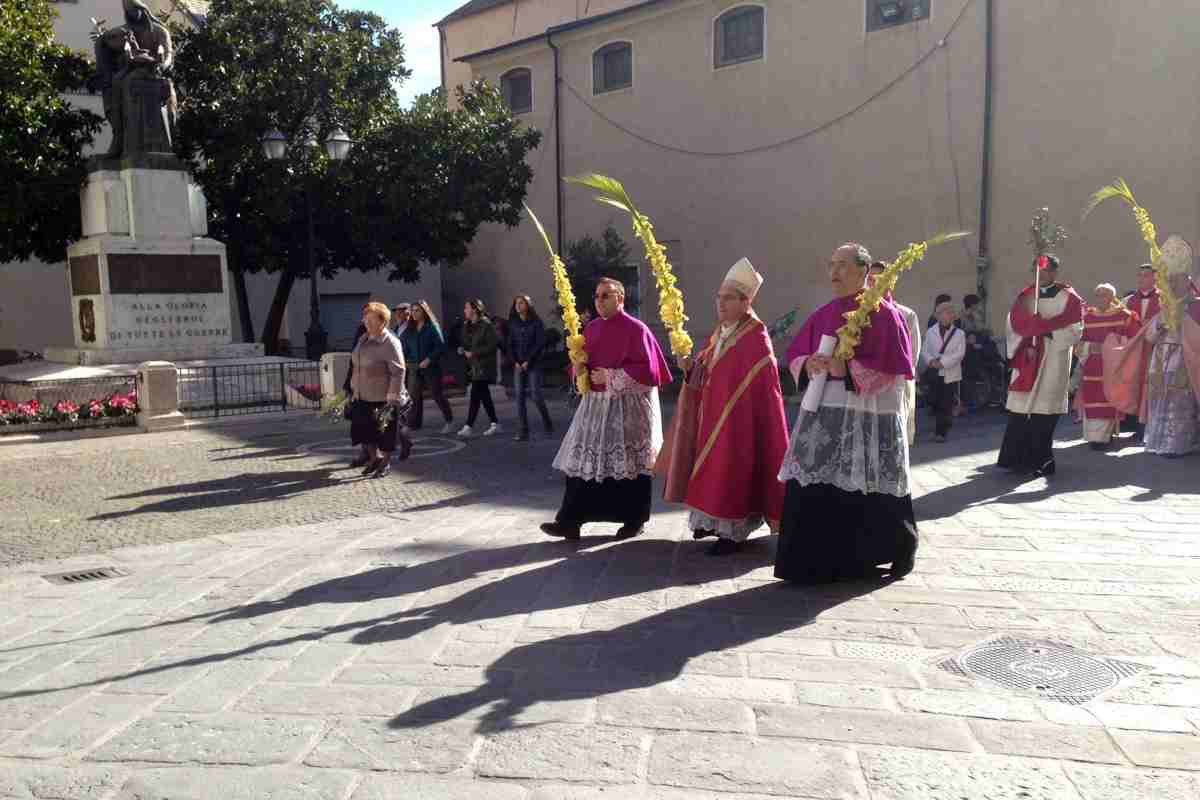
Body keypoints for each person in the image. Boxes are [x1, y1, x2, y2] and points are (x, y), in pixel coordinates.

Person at [775, 243, 918, 584]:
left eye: (842, 265)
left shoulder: (885, 313)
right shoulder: (825, 312)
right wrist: (808, 363)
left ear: (864, 271)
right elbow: (797, 353)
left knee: (869, 482)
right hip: (825, 411)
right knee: (816, 477)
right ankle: (813, 561)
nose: (834, 272)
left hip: (867, 413)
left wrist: (847, 368)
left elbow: (894, 369)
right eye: (831, 264)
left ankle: (884, 551)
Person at [659, 258, 790, 555]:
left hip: (740, 421)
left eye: (729, 298)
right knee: (712, 467)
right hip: (713, 414)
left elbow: (758, 385)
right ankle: (710, 521)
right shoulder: (722, 331)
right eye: (719, 298)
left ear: (747, 302)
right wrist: (690, 366)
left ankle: (732, 531)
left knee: (732, 467)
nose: (721, 303)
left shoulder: (756, 337)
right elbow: (707, 367)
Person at [541, 278, 672, 541]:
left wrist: (611, 377)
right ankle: (569, 521)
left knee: (630, 465)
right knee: (582, 463)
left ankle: (634, 520)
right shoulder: (591, 329)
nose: (599, 301)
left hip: (628, 409)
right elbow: (583, 366)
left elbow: (650, 371)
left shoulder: (637, 329)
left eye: (606, 296)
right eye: (597, 296)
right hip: (596, 407)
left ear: (620, 299)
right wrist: (578, 370)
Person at [997, 254, 1084, 477]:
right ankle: (1016, 459)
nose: (1041, 275)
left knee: (1043, 412)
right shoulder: (1026, 296)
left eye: (1046, 271)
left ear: (1054, 272)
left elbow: (1076, 329)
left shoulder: (1068, 297)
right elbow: (1012, 324)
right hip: (1028, 357)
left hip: (1053, 359)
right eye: (1037, 270)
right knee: (1021, 411)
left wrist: (1046, 330)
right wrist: (1026, 336)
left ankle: (1042, 461)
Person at [1142, 237, 1200, 457]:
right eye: (1170, 280)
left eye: (1177, 279)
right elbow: (1148, 337)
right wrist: (1161, 324)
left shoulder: (1196, 305)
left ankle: (1180, 444)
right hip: (1161, 358)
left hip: (1186, 358)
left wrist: (1183, 324)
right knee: (1159, 400)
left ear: (1187, 281)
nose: (1173, 284)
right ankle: (1158, 441)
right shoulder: (1163, 306)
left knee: (1182, 402)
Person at [348, 302, 410, 478]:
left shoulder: (390, 342)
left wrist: (392, 397)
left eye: (370, 319)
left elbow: (398, 371)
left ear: (382, 322)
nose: (365, 322)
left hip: (383, 396)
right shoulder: (363, 338)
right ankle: (374, 458)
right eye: (364, 318)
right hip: (361, 394)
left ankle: (385, 462)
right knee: (363, 430)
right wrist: (352, 387)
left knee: (385, 433)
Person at [1078, 283, 1139, 449]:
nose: (1099, 298)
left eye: (1103, 295)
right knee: (1092, 398)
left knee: (1109, 398)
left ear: (1112, 297)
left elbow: (1133, 341)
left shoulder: (1124, 316)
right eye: (1097, 295)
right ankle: (1093, 436)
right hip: (1092, 365)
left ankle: (1105, 436)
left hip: (1113, 366)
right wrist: (1089, 347)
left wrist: (1109, 347)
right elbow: (1078, 342)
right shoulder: (1088, 317)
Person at [869, 261, 921, 445]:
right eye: (870, 278)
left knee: (894, 437)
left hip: (895, 383)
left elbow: (912, 353)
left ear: (890, 281)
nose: (873, 283)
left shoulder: (906, 315)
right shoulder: (859, 314)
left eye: (879, 278)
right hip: (866, 386)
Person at [401, 301, 455, 434]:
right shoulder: (410, 329)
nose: (414, 313)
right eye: (412, 310)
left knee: (437, 395)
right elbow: (405, 347)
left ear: (424, 312)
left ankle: (449, 421)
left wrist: (429, 359)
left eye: (417, 310)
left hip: (431, 367)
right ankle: (410, 424)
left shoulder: (431, 327)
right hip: (414, 367)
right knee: (413, 397)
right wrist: (403, 360)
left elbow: (441, 346)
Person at [507, 295, 554, 442]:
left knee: (536, 395)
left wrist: (529, 360)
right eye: (516, 303)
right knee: (519, 396)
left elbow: (539, 344)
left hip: (533, 363)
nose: (518, 306)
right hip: (518, 364)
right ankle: (523, 431)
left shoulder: (536, 323)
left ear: (528, 305)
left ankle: (547, 422)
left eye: (521, 303)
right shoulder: (513, 323)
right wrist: (514, 361)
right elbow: (510, 344)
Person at [1122, 264, 1162, 441]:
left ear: (1155, 278)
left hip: (1156, 350)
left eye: (1145, 275)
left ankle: (1149, 427)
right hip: (1135, 351)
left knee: (1152, 387)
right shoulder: (1128, 301)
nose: (1140, 279)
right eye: (1139, 275)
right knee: (1134, 386)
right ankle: (1135, 424)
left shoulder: (1165, 299)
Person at [920, 302, 966, 443]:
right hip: (934, 372)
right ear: (938, 316)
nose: (947, 315)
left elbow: (960, 354)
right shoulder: (930, 331)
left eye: (949, 313)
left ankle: (941, 432)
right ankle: (940, 429)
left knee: (946, 403)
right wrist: (931, 361)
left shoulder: (959, 334)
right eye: (943, 313)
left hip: (950, 373)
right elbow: (924, 350)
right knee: (935, 401)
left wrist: (943, 363)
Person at [457, 299, 502, 438]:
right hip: (474, 366)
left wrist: (475, 352)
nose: (464, 310)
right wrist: (462, 349)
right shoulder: (467, 325)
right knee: (483, 395)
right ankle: (494, 423)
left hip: (484, 365)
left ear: (475, 310)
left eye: (466, 308)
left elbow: (492, 345)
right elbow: (466, 343)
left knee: (476, 394)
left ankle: (469, 426)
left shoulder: (486, 325)